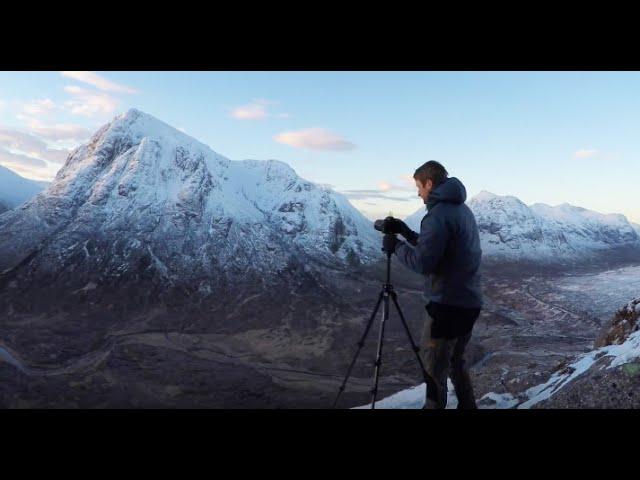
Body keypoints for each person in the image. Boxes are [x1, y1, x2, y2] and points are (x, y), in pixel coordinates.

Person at [384, 161, 483, 409]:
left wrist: (395, 246)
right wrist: (407, 233)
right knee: (455, 362)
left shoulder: (437, 215)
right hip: (469, 302)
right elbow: (440, 249)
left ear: (429, 183)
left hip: (445, 307)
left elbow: (423, 263)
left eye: (418, 186)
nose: (418, 193)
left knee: (433, 371)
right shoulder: (462, 210)